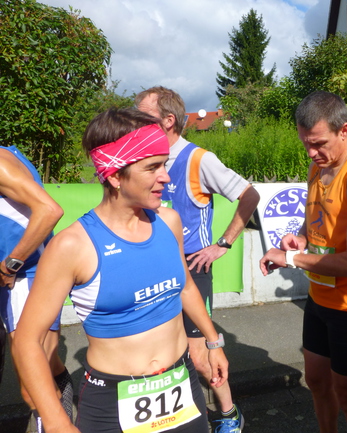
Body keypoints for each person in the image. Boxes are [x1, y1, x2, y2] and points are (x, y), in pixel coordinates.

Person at [12, 108, 228, 433]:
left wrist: (213, 342)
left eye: (165, 165)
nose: (166, 177)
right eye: (152, 167)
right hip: (111, 402)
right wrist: (56, 420)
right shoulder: (73, 246)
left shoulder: (169, 222)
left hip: (182, 387)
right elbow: (27, 341)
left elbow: (185, 287)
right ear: (114, 175)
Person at [259, 91, 347, 433]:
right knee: (316, 381)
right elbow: (315, 219)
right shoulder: (317, 166)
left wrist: (290, 257)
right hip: (319, 298)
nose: (311, 152)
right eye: (305, 144)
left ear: (344, 130)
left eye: (318, 144)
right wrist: (301, 239)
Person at [135, 86, 258, 432]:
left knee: (200, 358)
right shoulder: (144, 159)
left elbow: (250, 195)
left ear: (168, 120)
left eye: (143, 115)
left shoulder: (198, 159)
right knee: (163, 354)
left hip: (191, 269)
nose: (135, 120)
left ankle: (229, 415)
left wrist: (223, 243)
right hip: (154, 268)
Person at [0, 144, 71, 431]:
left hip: (25, 275)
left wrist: (10, 265)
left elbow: (50, 210)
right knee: (47, 367)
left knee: (33, 388)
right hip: (12, 276)